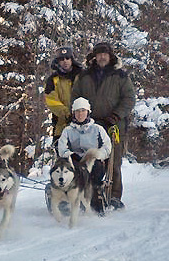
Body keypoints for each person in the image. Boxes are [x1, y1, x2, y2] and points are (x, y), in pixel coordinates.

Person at [71, 42, 135, 210]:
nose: (102, 57)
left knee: (113, 161)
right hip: (89, 125)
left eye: (105, 54)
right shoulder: (84, 76)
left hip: (114, 125)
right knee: (89, 160)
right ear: (94, 57)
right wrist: (81, 115)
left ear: (110, 56)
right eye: (98, 54)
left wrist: (116, 115)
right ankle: (90, 194)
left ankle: (114, 196)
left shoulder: (120, 76)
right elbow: (76, 97)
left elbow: (129, 99)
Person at [44, 46, 83, 146]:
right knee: (63, 159)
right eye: (62, 59)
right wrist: (68, 115)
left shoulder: (83, 76)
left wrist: (81, 114)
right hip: (62, 128)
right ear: (58, 61)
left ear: (72, 59)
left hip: (84, 127)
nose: (65, 61)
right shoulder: (52, 80)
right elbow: (52, 102)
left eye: (67, 58)